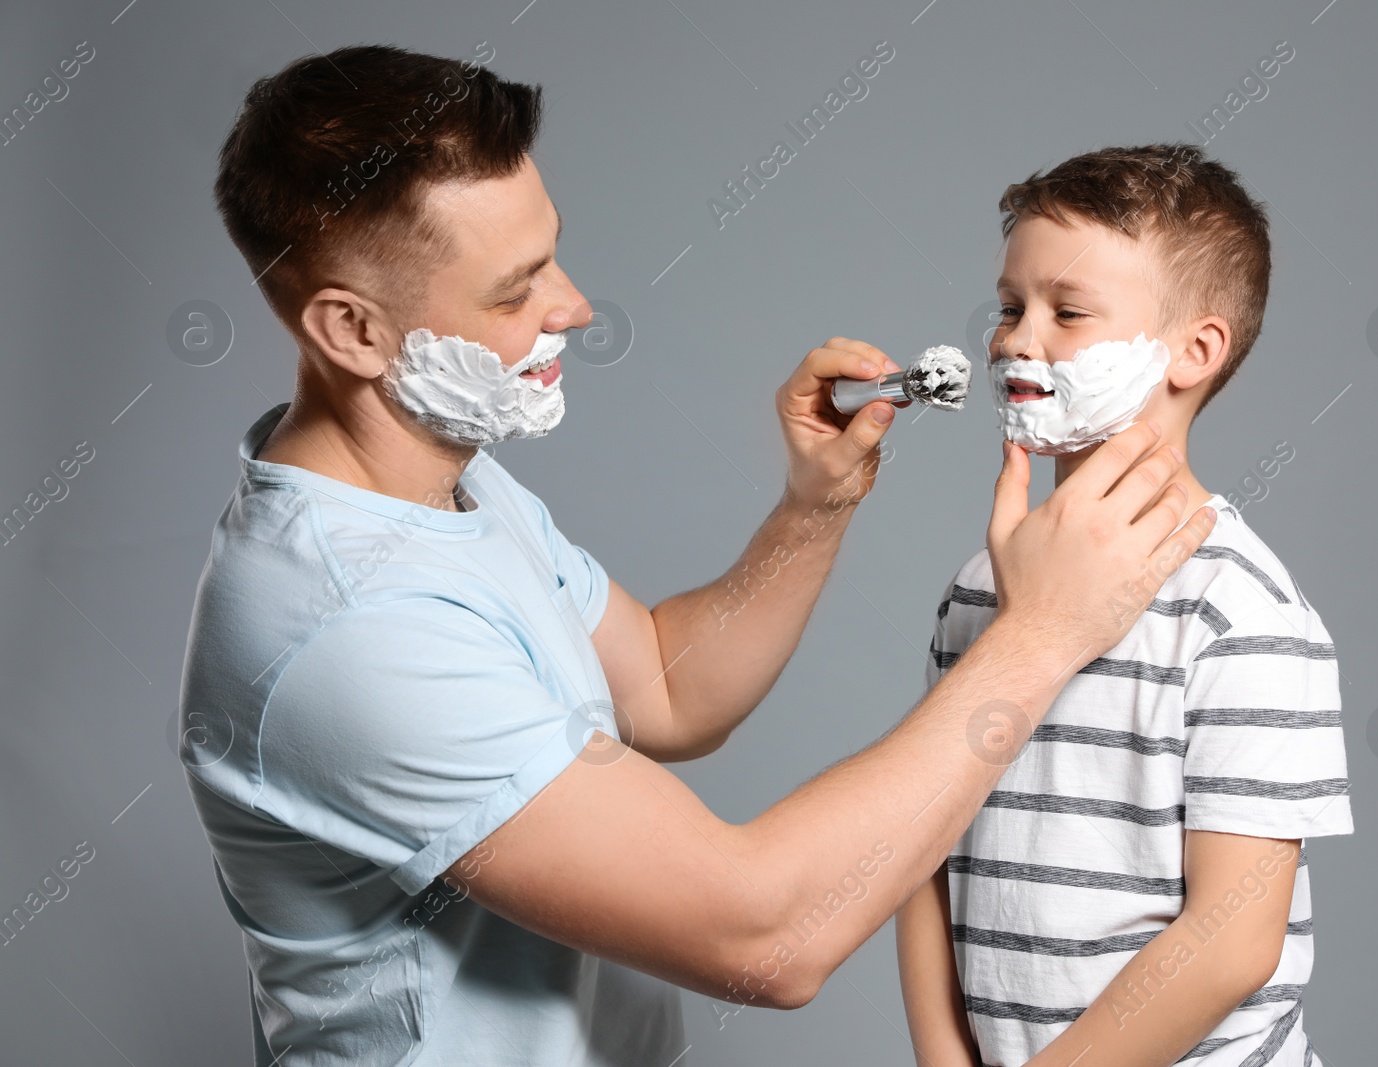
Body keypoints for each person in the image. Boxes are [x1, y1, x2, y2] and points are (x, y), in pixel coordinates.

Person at [178, 47, 1215, 1066]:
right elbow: (764, 938)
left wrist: (812, 510)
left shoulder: (443, 484)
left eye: (554, 255)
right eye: (515, 289)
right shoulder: (348, 626)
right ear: (354, 330)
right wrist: (1038, 636)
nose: (573, 306)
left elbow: (667, 691)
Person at [896, 145, 1353, 1067]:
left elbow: (1232, 940)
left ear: (1194, 351)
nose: (1019, 340)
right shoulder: (978, 592)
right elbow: (915, 845)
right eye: (1009, 307)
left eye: (1066, 313)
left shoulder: (1238, 611)